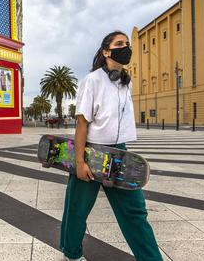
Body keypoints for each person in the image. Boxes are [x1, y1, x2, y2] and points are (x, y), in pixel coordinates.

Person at [59, 31, 162, 261]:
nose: (125, 47)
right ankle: (71, 253)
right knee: (77, 208)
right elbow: (82, 123)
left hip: (119, 153)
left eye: (127, 44)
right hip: (92, 151)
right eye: (119, 44)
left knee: (135, 211)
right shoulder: (92, 80)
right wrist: (79, 162)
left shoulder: (127, 82)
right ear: (106, 52)